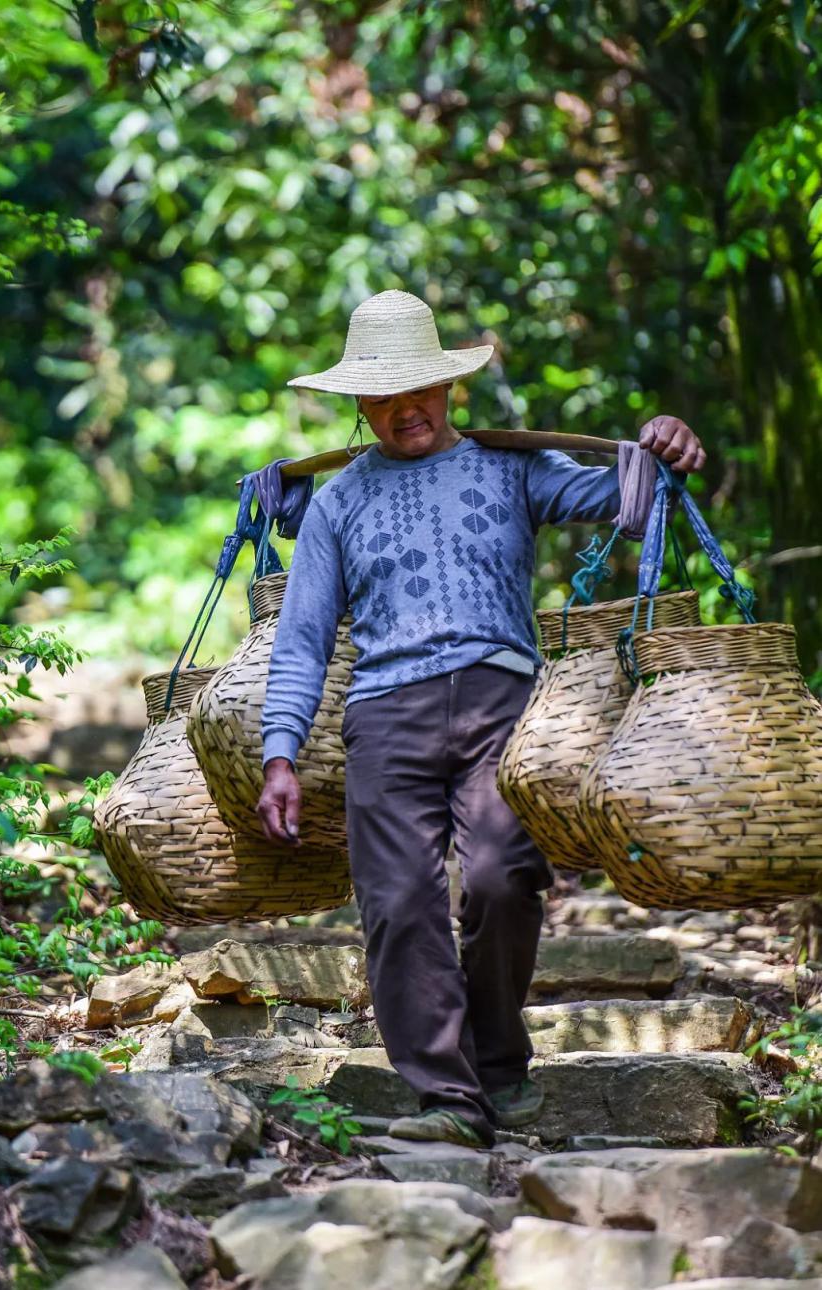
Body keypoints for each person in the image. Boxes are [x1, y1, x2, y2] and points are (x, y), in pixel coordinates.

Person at [257, 289, 706, 1148]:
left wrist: (664, 443)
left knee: (504, 877)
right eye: (382, 397)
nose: (403, 410)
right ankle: (447, 1100)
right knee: (397, 903)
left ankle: (500, 1062)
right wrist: (281, 751)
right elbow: (304, 636)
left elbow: (629, 498)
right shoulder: (339, 503)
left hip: (505, 706)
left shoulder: (513, 467)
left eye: (418, 389)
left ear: (448, 388)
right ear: (358, 404)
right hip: (385, 716)